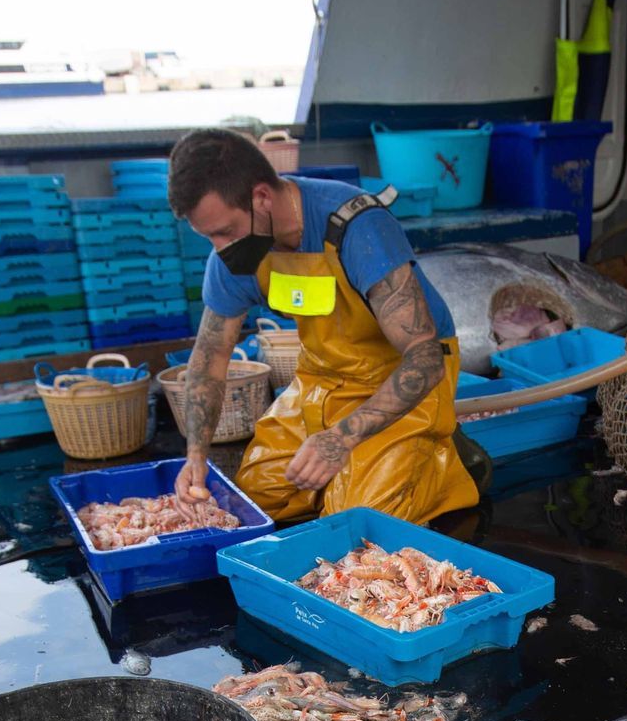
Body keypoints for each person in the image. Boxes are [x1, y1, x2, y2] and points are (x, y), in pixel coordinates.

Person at [166, 128, 479, 523]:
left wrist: (342, 438)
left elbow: (425, 358)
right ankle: (347, 477)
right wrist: (196, 456)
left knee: (359, 517)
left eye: (225, 231)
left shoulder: (355, 225)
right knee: (253, 499)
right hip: (323, 380)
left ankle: (441, 465)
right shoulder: (236, 252)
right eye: (208, 236)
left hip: (400, 378)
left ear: (261, 197)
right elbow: (210, 358)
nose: (218, 248)